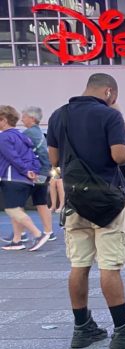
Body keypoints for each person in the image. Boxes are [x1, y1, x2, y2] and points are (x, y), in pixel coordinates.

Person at [46, 75, 125, 349]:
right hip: (106, 201)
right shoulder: (109, 116)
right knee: (109, 266)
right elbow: (119, 156)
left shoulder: (59, 115)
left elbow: (53, 159)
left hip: (74, 200)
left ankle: (82, 328)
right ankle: (123, 328)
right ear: (109, 91)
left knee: (79, 265)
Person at [0, 105, 46, 253]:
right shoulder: (22, 136)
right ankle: (17, 241)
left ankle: (38, 234)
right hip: (26, 180)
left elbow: (13, 158)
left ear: (4, 120)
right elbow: (33, 156)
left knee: (12, 210)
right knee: (18, 209)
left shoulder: (4, 137)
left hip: (12, 178)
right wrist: (32, 172)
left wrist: (26, 171)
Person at [20, 106, 55, 240]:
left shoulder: (28, 134)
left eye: (24, 117)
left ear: (32, 118)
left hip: (37, 174)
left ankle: (21, 234)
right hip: (44, 173)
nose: (22, 119)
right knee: (41, 202)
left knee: (17, 202)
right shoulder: (38, 132)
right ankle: (49, 232)